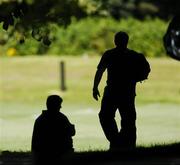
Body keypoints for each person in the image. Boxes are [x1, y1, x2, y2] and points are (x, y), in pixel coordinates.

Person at [92, 31, 150, 150]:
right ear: (127, 41)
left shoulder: (109, 54)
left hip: (112, 92)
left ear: (115, 41)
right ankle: (128, 146)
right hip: (128, 92)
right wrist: (136, 78)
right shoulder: (135, 56)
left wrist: (95, 87)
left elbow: (100, 71)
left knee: (105, 116)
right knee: (128, 120)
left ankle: (116, 141)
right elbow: (146, 70)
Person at [31, 95, 75, 164]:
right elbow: (72, 132)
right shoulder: (61, 118)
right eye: (59, 105)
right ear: (55, 105)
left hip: (40, 157)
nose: (61, 107)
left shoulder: (40, 119)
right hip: (57, 155)